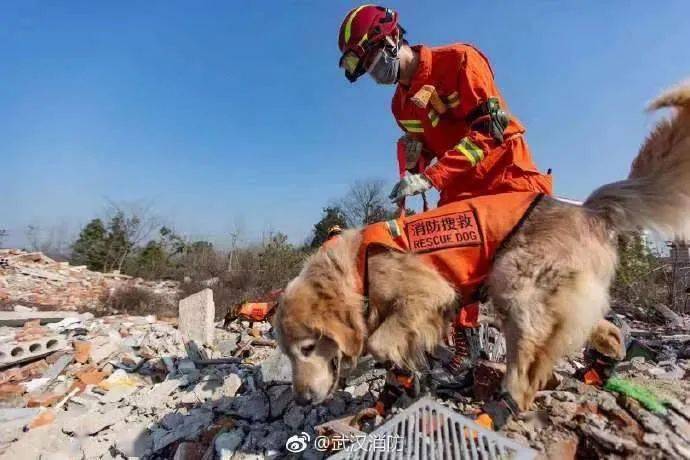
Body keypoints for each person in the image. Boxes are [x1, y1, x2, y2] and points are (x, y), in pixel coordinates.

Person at [337, 5, 553, 207]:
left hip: (507, 181)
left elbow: (490, 131)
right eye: (366, 67)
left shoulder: (459, 61)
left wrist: (431, 177)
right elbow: (428, 148)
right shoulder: (400, 107)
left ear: (392, 37)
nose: (373, 70)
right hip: (457, 198)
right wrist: (415, 162)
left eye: (372, 57)